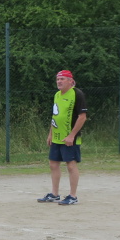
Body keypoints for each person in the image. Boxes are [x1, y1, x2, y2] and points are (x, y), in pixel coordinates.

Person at [37, 69, 87, 205]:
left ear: (70, 81)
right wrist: (50, 134)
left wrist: (72, 135)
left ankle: (73, 196)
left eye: (62, 79)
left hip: (69, 138)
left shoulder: (77, 94)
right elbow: (55, 116)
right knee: (53, 164)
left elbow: (82, 117)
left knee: (71, 165)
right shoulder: (57, 95)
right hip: (57, 137)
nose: (59, 81)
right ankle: (54, 194)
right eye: (58, 79)